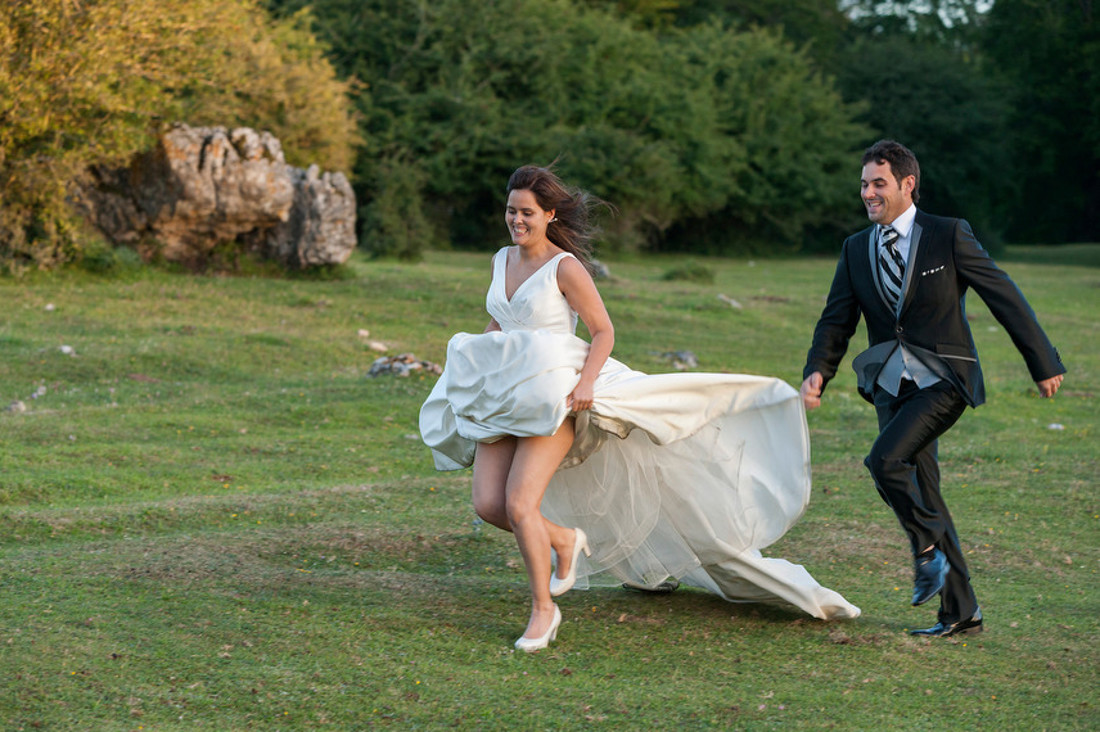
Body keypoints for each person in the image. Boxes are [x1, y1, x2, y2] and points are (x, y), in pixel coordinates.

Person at [421, 165, 859, 653]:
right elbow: (500, 320)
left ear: (548, 214)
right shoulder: (501, 259)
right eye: (510, 210)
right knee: (488, 504)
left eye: (527, 213)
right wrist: (473, 367)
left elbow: (602, 331)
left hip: (554, 397)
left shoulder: (565, 267)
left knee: (520, 504)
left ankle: (543, 611)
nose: (516, 221)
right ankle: (564, 540)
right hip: (501, 396)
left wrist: (586, 385)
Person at [800, 140, 1065, 638]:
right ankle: (961, 612)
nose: (868, 193)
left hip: (943, 379)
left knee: (884, 461)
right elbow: (836, 319)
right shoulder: (856, 248)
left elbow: (1002, 294)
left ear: (907, 184)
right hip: (889, 384)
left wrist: (1042, 361)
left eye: (878, 183)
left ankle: (926, 551)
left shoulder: (948, 234)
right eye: (864, 184)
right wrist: (819, 370)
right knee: (925, 491)